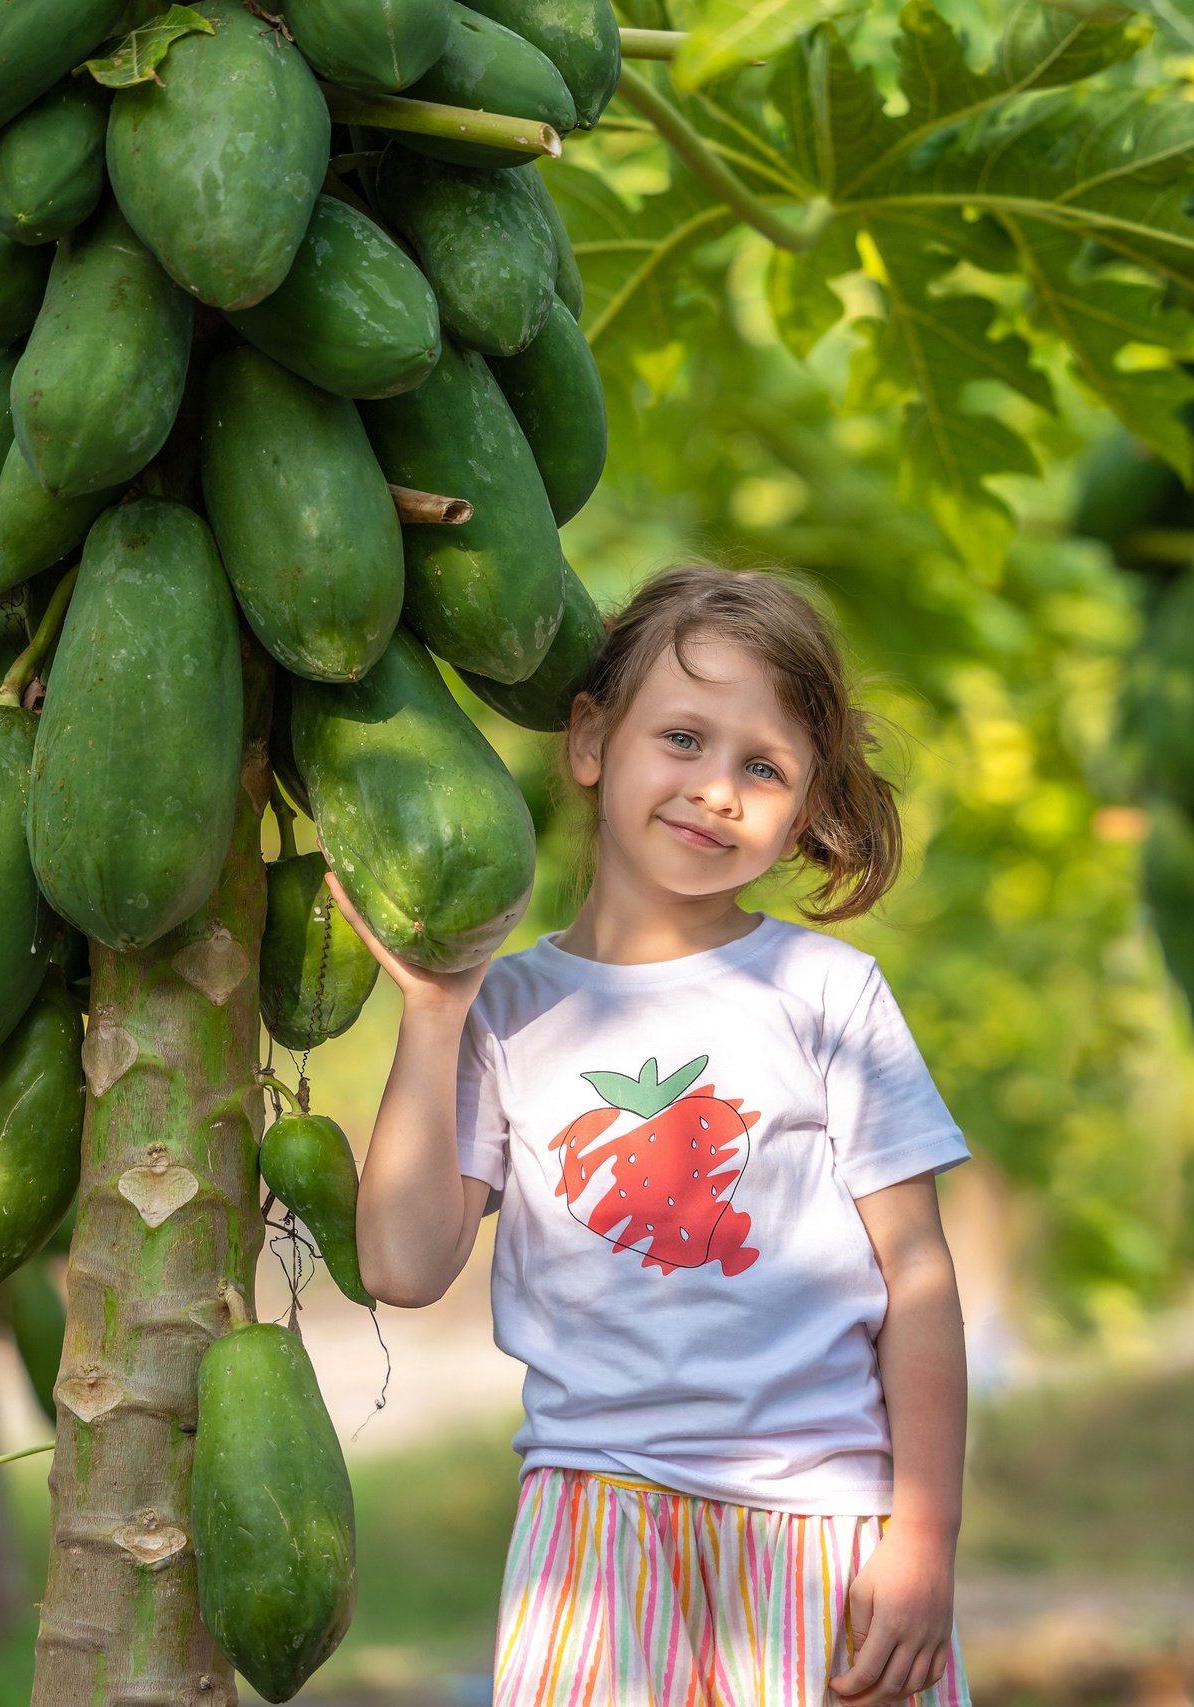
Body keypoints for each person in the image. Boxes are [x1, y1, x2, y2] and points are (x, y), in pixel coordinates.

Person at [342, 565, 973, 1707]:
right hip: (591, 1535)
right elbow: (399, 1265)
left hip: (818, 1529)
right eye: (682, 738)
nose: (716, 790)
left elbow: (917, 1275)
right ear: (590, 741)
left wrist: (923, 1542)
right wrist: (433, 1018)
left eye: (764, 768)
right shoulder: (506, 1007)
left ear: (807, 807)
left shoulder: (827, 993)